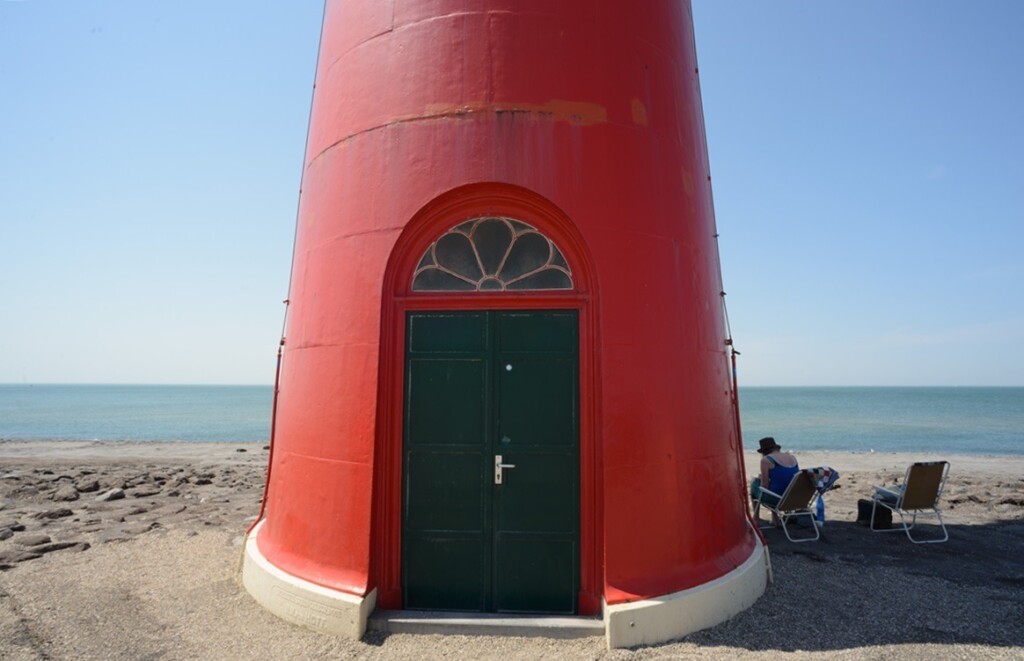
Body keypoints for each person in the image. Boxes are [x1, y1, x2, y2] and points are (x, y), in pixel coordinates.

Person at [750, 436, 800, 522]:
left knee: (754, 484)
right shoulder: (792, 458)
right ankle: (775, 518)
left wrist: (760, 479)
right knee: (776, 485)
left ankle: (756, 518)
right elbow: (789, 477)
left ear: (763, 451)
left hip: (777, 500)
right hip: (793, 499)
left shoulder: (766, 460)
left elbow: (764, 486)